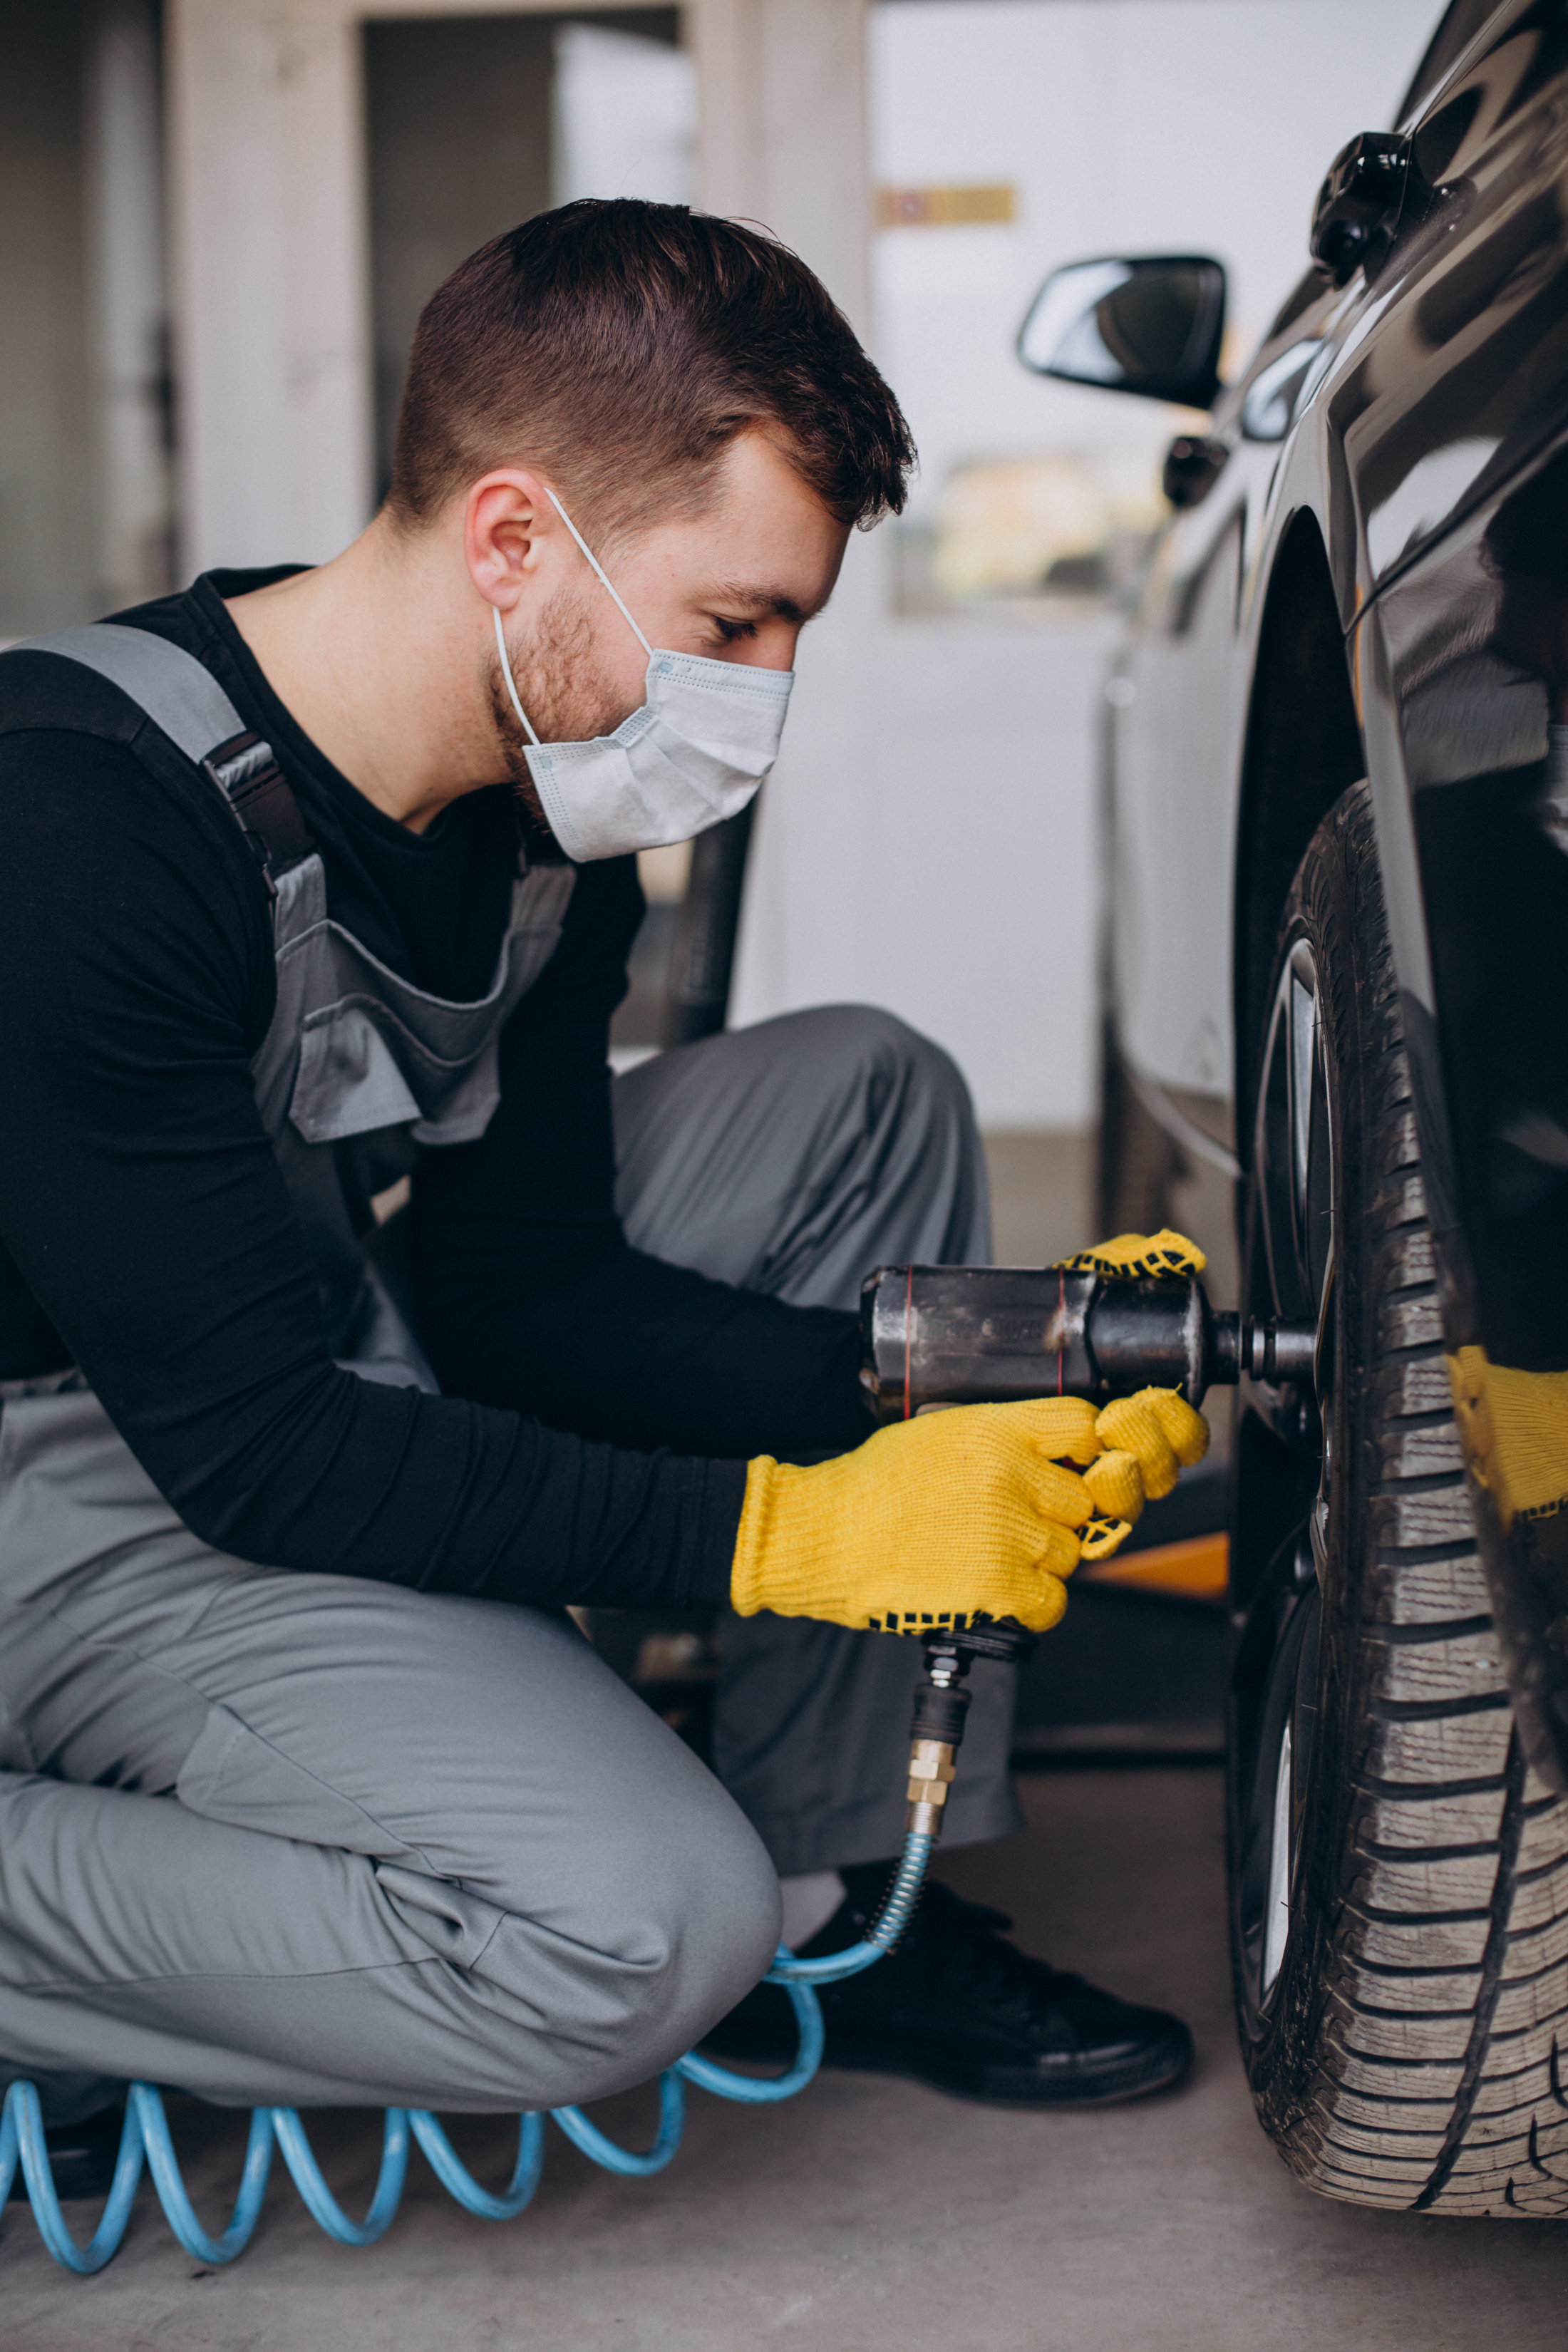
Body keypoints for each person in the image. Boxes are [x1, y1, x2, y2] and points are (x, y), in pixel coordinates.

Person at [0, 201, 1205, 2158]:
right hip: (70, 1469)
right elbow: (264, 1459)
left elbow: (527, 1291)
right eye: (734, 623)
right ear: (509, 538)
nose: (766, 687)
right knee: (637, 1928)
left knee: (863, 1089)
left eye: (794, 626)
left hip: (293, 1336)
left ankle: (846, 1891)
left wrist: (980, 1376)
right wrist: (804, 1533)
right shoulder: (72, 822)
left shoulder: (544, 810)